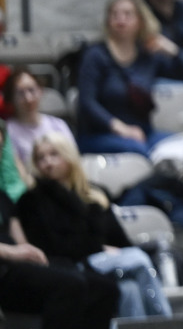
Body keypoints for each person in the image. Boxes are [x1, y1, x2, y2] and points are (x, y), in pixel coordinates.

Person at [18, 135, 171, 318]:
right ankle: (166, 322)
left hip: (101, 262)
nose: (48, 163)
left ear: (69, 156)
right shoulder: (33, 200)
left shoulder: (94, 194)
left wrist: (110, 250)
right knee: (138, 259)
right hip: (70, 266)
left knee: (129, 289)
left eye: (54, 155)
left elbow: (119, 239)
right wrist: (99, 248)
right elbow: (52, 246)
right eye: (41, 158)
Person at [76, 0, 183, 155]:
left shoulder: (147, 56)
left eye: (127, 14)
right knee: (140, 150)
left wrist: (172, 50)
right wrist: (121, 128)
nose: (121, 19)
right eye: (114, 14)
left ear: (140, 21)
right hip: (100, 134)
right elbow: (86, 102)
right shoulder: (95, 55)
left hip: (143, 133)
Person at [0, 187, 119, 329]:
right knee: (69, 285)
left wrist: (28, 251)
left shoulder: (2, 196)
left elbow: (18, 237)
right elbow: (15, 250)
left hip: (17, 264)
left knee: (104, 288)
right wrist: (9, 251)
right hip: (4, 269)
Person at [4, 68, 74, 173]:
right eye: (20, 93)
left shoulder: (58, 124)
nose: (28, 98)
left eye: (31, 90)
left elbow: (73, 160)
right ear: (11, 98)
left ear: (40, 91)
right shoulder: (8, 131)